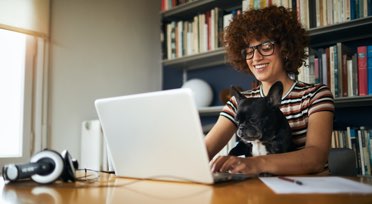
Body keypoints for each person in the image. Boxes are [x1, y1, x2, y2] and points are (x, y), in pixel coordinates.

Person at [205, 5, 335, 176]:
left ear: (285, 49)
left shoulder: (314, 95)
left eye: (266, 47)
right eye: (249, 51)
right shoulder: (239, 102)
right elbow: (203, 151)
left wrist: (255, 163)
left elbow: (316, 159)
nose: (256, 57)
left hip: (308, 192)